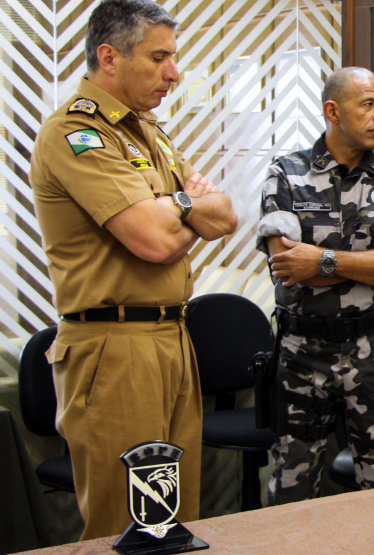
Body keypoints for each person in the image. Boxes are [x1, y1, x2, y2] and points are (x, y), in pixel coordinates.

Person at [29, 0, 237, 540]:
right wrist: (188, 206)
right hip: (113, 347)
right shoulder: (76, 135)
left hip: (171, 337)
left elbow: (227, 214)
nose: (174, 73)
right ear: (109, 56)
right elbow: (153, 239)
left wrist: (176, 211)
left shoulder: (150, 133)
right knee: (126, 528)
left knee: (174, 524)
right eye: (159, 57)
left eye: (174, 56)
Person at [256, 67, 374, 504]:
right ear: (332, 111)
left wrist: (326, 259)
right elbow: (291, 268)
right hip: (302, 356)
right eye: (368, 104)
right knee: (291, 492)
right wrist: (372, 264)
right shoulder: (286, 175)